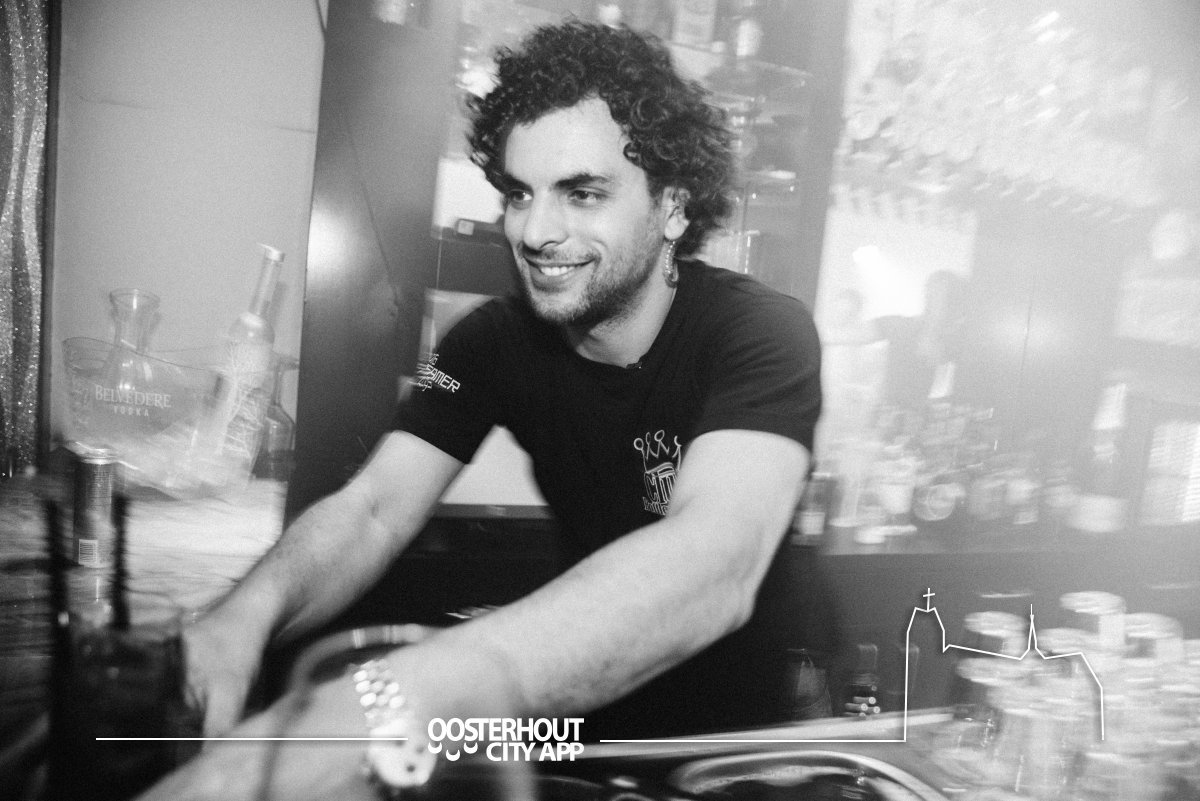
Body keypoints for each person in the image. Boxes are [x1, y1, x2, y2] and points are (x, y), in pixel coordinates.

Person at [140, 21, 826, 799]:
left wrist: (393, 703)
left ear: (672, 206)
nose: (536, 231)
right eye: (519, 194)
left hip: (741, 753)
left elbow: (715, 562)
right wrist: (241, 618)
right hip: (589, 730)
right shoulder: (492, 340)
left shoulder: (758, 331)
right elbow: (372, 509)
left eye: (583, 193)